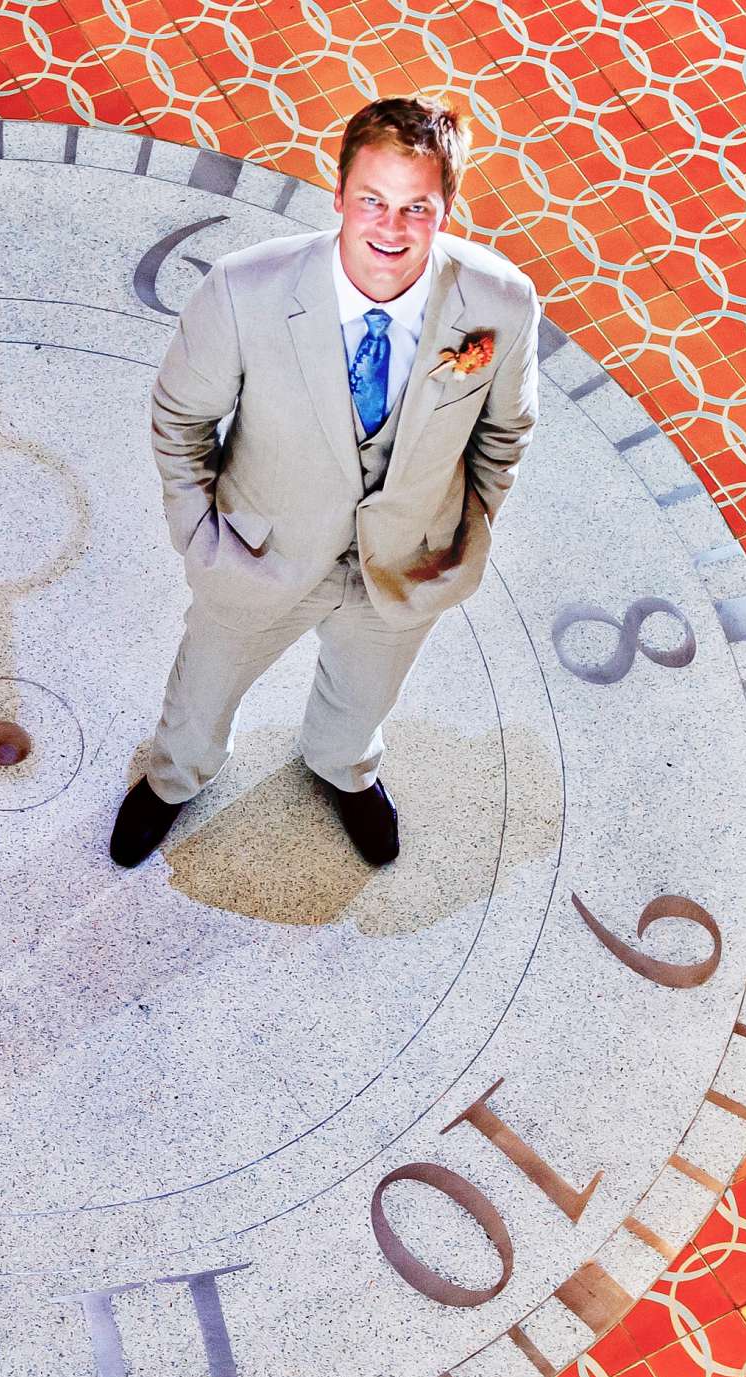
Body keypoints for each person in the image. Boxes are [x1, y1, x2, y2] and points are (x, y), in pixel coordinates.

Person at [111, 95, 542, 870]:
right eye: (373, 200)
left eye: (418, 207)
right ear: (338, 195)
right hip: (260, 551)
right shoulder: (247, 291)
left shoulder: (501, 304)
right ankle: (173, 780)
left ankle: (343, 770)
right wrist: (201, 536)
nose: (392, 227)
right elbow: (179, 420)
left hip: (409, 559)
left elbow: (503, 433)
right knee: (200, 695)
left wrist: (460, 529)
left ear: (448, 208)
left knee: (364, 699)